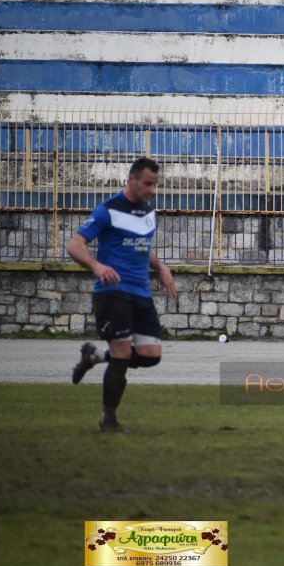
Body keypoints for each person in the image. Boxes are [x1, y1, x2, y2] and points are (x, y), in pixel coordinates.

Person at [68, 157, 176, 432]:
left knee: (151, 354)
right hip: (113, 292)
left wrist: (161, 266)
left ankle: (93, 355)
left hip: (141, 293)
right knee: (122, 355)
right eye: (148, 184)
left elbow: (142, 246)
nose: (152, 189)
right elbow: (75, 245)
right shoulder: (108, 210)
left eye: (155, 184)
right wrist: (96, 265)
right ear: (131, 180)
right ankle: (109, 420)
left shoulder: (148, 213)